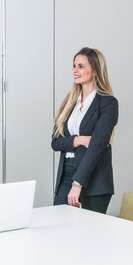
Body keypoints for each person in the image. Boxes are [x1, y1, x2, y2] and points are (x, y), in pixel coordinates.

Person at [51, 47, 119, 214]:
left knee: (91, 234)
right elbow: (55, 142)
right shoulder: (69, 102)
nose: (75, 70)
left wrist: (78, 183)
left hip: (95, 177)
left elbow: (97, 146)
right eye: (74, 66)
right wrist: (78, 140)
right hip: (66, 173)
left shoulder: (108, 103)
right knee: (59, 228)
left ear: (95, 70)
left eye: (80, 66)